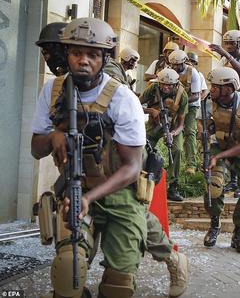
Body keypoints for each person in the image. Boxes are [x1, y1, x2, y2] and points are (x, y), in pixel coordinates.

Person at [31, 17, 147, 298]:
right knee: (68, 272)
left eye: (93, 55)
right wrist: (54, 137)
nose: (84, 60)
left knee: (117, 286)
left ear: (104, 57)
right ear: (66, 54)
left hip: (119, 193)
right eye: (76, 53)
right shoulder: (53, 90)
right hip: (75, 188)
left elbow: (132, 168)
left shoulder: (122, 99)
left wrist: (89, 199)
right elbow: (36, 148)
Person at [202, 67, 240, 254]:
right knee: (213, 184)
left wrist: (217, 157)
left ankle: (239, 233)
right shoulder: (209, 103)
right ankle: (215, 224)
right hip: (221, 142)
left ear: (228, 89)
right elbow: (204, 130)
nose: (211, 89)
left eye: (215, 86)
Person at [210, 29, 240, 197]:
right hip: (226, 96)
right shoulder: (223, 59)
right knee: (227, 135)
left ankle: (239, 181)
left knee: (238, 135)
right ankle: (230, 179)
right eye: (226, 43)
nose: (228, 46)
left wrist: (226, 55)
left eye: (231, 43)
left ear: (239, 44)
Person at [139, 68, 188, 202]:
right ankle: (141, 181)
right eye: (163, 84)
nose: (166, 87)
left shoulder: (182, 95)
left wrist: (172, 133)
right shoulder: (153, 88)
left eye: (169, 85)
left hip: (172, 126)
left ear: (175, 84)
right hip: (154, 125)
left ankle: (173, 187)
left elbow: (181, 124)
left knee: (177, 150)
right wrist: (151, 111)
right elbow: (136, 104)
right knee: (142, 147)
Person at [168, 50, 202, 175]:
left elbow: (196, 95)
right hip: (175, 105)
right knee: (175, 130)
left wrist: (181, 102)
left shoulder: (193, 73)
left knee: (190, 131)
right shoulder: (169, 70)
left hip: (191, 105)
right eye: (173, 65)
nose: (175, 68)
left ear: (184, 62)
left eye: (178, 65)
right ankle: (176, 159)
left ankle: (191, 164)